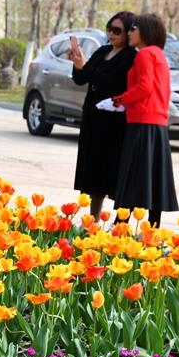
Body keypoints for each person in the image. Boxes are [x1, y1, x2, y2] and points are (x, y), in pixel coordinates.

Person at [66, 12, 137, 218]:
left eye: (117, 30)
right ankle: (93, 219)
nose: (111, 34)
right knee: (92, 171)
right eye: (109, 28)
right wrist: (77, 64)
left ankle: (119, 223)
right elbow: (81, 78)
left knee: (111, 170)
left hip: (114, 123)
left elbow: (112, 82)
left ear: (128, 33)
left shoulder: (131, 57)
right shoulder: (103, 51)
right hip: (93, 118)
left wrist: (85, 68)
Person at [113, 13, 178, 227]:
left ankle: (120, 226)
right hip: (158, 124)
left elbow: (144, 87)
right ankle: (153, 227)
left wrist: (118, 100)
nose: (129, 33)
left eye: (134, 29)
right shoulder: (159, 55)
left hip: (141, 122)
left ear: (146, 31)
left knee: (133, 175)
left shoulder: (144, 54)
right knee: (153, 177)